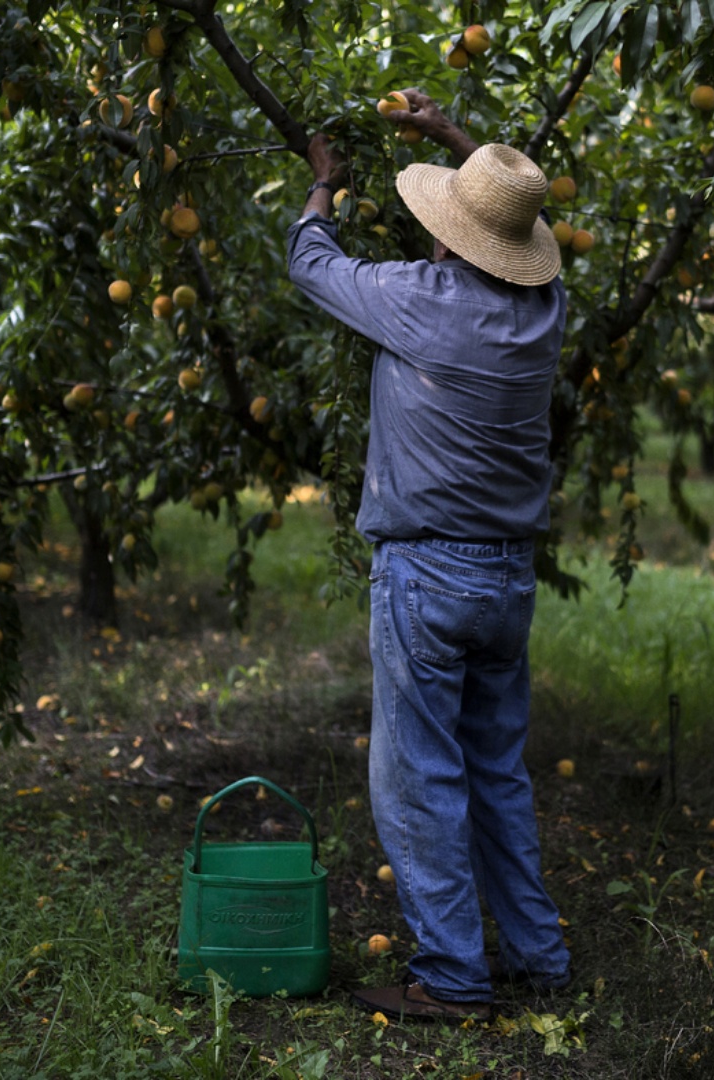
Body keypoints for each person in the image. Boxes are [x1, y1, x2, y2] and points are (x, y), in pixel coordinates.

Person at [283, 89, 571, 1022]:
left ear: (446, 232)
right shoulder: (547, 312)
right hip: (507, 579)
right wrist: (458, 140)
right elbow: (517, 217)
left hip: (428, 576)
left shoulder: (421, 304)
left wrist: (323, 185)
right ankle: (537, 957)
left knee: (419, 777)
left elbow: (311, 263)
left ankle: (450, 976)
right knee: (495, 768)